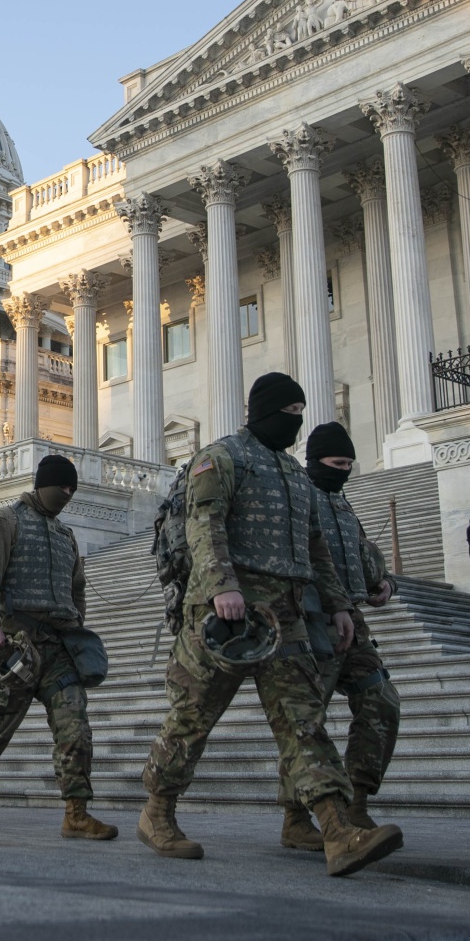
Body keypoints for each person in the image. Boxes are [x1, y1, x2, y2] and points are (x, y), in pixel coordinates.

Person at [139, 373, 402, 876]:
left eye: (302, 414)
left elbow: (317, 546)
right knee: (193, 717)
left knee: (304, 721)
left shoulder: (294, 474)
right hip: (226, 613)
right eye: (290, 413)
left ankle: (336, 829)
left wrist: (340, 604)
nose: (296, 423)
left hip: (288, 612)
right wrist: (222, 586)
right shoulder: (223, 458)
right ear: (265, 411)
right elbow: (204, 523)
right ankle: (158, 812)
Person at [0, 453, 116, 839]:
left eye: (72, 490)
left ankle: (77, 812)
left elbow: (77, 588)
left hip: (57, 648)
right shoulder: (6, 520)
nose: (66, 495)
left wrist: (77, 628)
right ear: (43, 484)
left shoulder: (65, 534)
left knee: (76, 728)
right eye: (61, 488)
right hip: (12, 645)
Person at [278, 422, 401, 852]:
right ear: (315, 462)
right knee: (308, 722)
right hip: (312, 623)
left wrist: (385, 583)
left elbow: (367, 555)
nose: (344, 471)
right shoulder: (297, 498)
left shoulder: (343, 503)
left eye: (349, 464)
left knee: (381, 700)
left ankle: (358, 800)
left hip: (354, 620)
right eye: (336, 464)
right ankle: (296, 817)